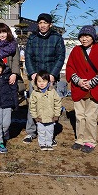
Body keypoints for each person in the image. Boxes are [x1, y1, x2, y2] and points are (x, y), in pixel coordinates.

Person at [66, 25, 98, 153]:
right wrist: (78, 81)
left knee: (91, 116)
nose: (84, 39)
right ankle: (79, 139)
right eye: (81, 36)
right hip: (79, 88)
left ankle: (90, 141)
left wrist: (93, 82)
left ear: (93, 37)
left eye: (87, 36)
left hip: (95, 89)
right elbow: (70, 67)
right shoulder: (76, 50)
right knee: (79, 116)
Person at [23, 13, 66, 144]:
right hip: (36, 77)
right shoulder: (32, 38)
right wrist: (32, 73)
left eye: (45, 23)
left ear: (50, 24)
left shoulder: (57, 38)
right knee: (33, 104)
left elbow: (60, 57)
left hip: (51, 77)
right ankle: (31, 132)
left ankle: (49, 134)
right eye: (40, 23)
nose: (42, 25)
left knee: (50, 106)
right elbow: (28, 56)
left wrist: (53, 74)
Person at [29, 70, 62, 151]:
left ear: (48, 82)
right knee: (41, 131)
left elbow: (58, 103)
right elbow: (32, 106)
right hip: (39, 118)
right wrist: (35, 116)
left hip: (51, 117)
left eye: (44, 81)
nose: (41, 83)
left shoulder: (52, 91)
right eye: (39, 81)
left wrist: (57, 115)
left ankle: (49, 143)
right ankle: (42, 144)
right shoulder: (34, 93)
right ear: (36, 82)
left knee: (50, 131)